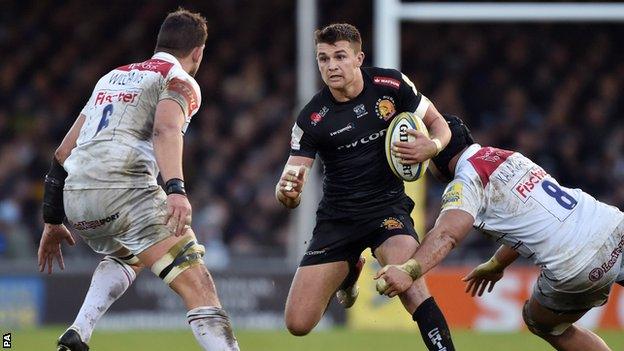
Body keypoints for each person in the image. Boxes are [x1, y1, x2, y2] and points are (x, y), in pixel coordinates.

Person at [38, 8, 240, 351]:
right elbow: (166, 128)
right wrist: (176, 190)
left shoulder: (111, 77)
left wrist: (51, 219)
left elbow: (61, 153)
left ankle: (78, 332)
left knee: (128, 253)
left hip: (76, 199)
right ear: (198, 52)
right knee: (198, 284)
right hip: (125, 190)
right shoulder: (179, 79)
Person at [275, 23, 456, 351]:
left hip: (387, 209)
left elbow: (438, 125)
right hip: (338, 219)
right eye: (323, 59)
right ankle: (351, 268)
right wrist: (287, 193)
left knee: (412, 286)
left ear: (359, 58)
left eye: (340, 57)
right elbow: (291, 178)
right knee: (298, 324)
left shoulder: (392, 85)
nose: (331, 66)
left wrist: (432, 146)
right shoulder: (311, 118)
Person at [375, 114, 624, 351]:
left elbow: (447, 235)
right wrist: (496, 263)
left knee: (543, 323)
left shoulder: (466, 182)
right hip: (612, 225)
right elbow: (529, 221)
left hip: (577, 262)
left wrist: (410, 270)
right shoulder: (507, 156)